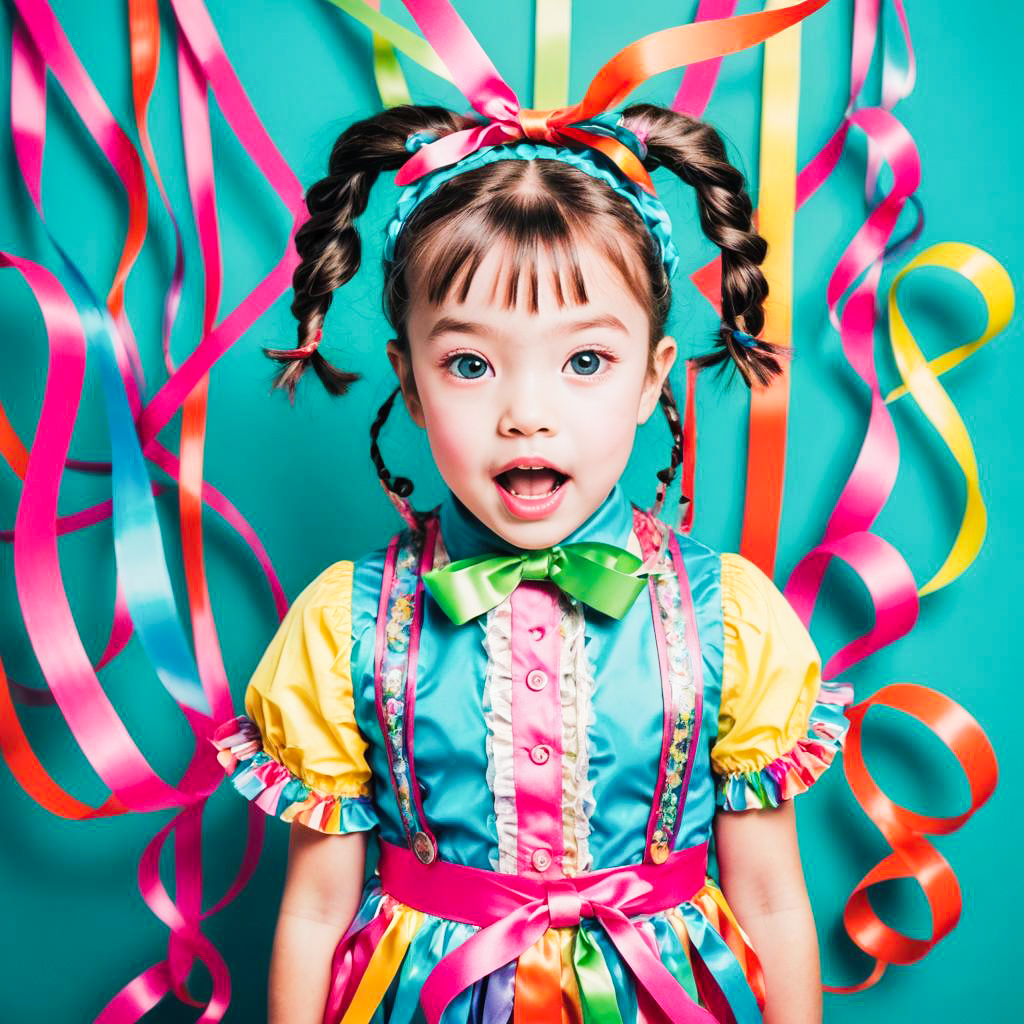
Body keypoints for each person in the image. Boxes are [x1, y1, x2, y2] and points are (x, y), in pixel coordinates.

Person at [209, 100, 849, 1024]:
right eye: (471, 366)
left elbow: (774, 901)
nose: (527, 414)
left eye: (585, 361)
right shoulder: (341, 621)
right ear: (412, 387)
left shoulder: (731, 618)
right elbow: (315, 909)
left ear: (652, 379)